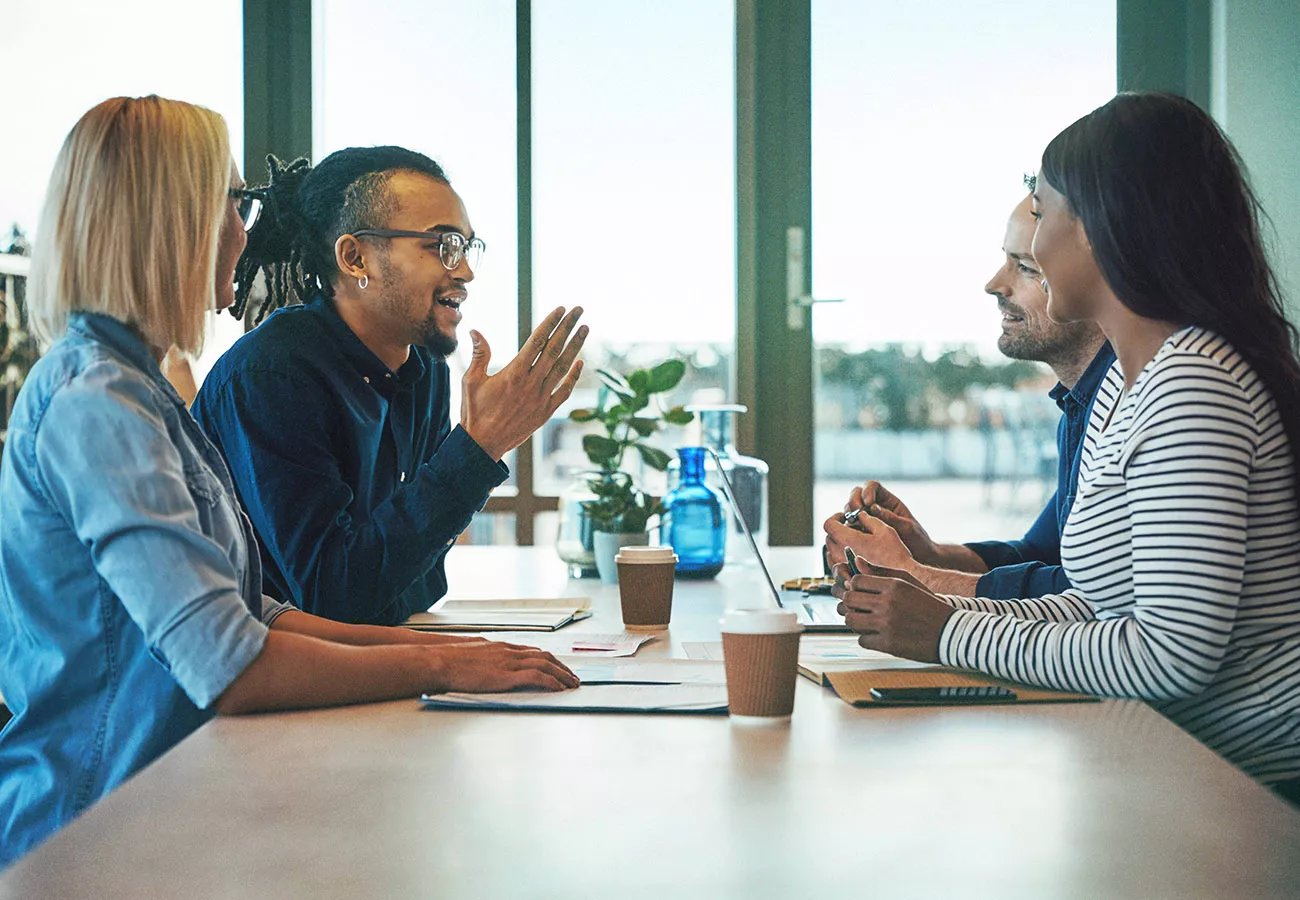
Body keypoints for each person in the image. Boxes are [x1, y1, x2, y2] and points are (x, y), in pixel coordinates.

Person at [0, 96, 578, 868]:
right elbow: (231, 661)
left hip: (174, 798)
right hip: (98, 827)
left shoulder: (135, 391)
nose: (248, 228)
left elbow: (261, 612)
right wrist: (441, 662)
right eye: (232, 204)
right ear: (168, 220)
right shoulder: (97, 406)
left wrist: (468, 652)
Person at [832, 92, 1300, 800]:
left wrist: (943, 632)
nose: (1033, 248)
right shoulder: (1129, 385)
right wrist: (930, 606)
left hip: (1252, 790)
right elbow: (1098, 608)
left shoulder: (1194, 386)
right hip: (1169, 761)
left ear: (1100, 229)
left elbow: (1169, 658)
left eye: (1043, 213)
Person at [191, 149, 586, 626]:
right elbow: (331, 598)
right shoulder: (271, 376)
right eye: (441, 245)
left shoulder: (425, 373)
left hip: (367, 668)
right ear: (355, 258)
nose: (464, 270)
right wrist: (479, 447)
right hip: (269, 681)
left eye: (465, 246)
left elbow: (416, 585)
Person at [823, 189, 1113, 598]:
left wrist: (913, 575)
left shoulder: (1129, 404)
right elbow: (1045, 555)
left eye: (1027, 267)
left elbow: (1087, 597)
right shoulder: (1081, 401)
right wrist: (928, 553)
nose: (994, 284)